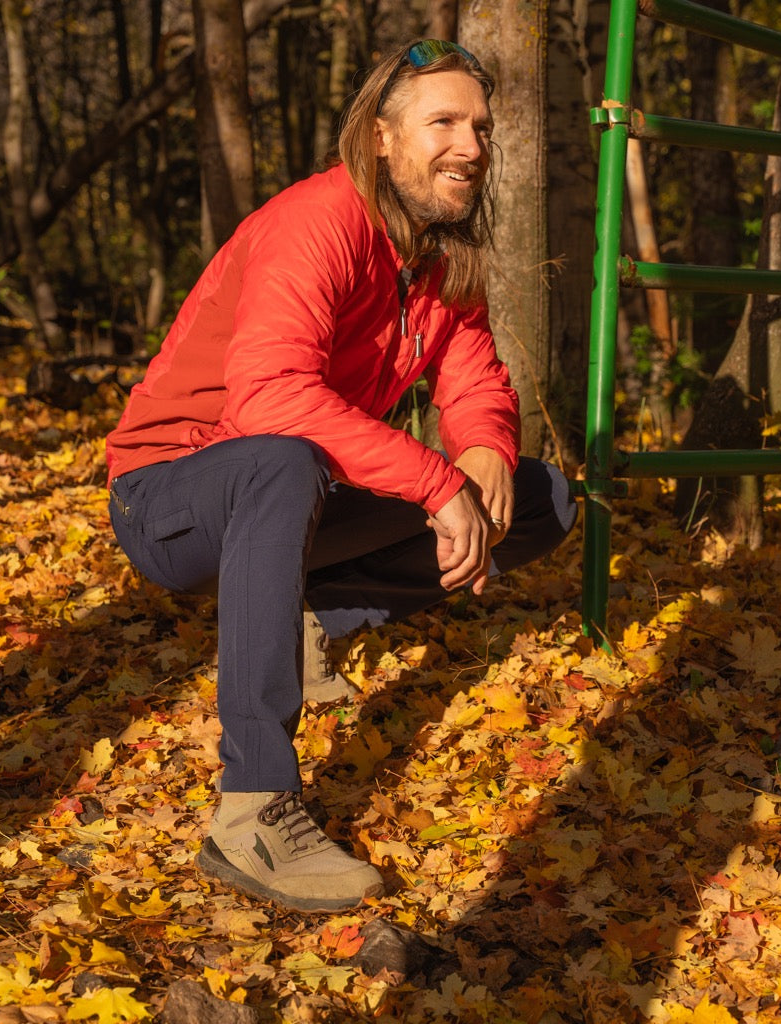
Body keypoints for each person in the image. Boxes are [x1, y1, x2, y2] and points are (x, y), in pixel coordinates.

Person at [104, 39, 576, 913]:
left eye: (480, 126)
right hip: (171, 499)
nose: (470, 145)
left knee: (541, 499)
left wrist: (481, 452)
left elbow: (475, 378)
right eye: (444, 122)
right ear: (383, 139)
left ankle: (317, 612)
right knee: (283, 458)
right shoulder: (316, 222)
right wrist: (435, 484)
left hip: (300, 489)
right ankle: (252, 808)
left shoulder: (439, 257)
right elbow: (272, 398)